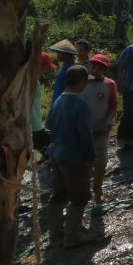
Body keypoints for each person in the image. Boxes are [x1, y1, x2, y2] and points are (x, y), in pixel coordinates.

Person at [45, 65, 100, 248]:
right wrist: (91, 157)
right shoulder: (81, 106)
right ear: (82, 82)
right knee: (80, 196)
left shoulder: (59, 100)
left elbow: (50, 126)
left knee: (58, 193)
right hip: (74, 158)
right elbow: (85, 135)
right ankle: (72, 236)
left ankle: (56, 231)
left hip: (58, 155)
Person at [79, 54, 118, 206]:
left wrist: (109, 120)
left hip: (101, 129)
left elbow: (114, 105)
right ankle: (81, 194)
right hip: (82, 130)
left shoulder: (109, 84)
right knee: (83, 163)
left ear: (104, 69)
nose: (95, 69)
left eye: (99, 67)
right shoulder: (80, 82)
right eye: (93, 65)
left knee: (101, 162)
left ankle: (98, 192)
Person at [31, 52, 57, 153]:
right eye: (46, 67)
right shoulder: (31, 82)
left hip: (35, 125)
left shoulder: (32, 80)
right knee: (51, 154)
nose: (46, 71)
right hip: (34, 127)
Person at [49, 39, 78, 105]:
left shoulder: (72, 69)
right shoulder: (64, 66)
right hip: (57, 102)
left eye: (60, 53)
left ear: (67, 54)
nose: (57, 55)